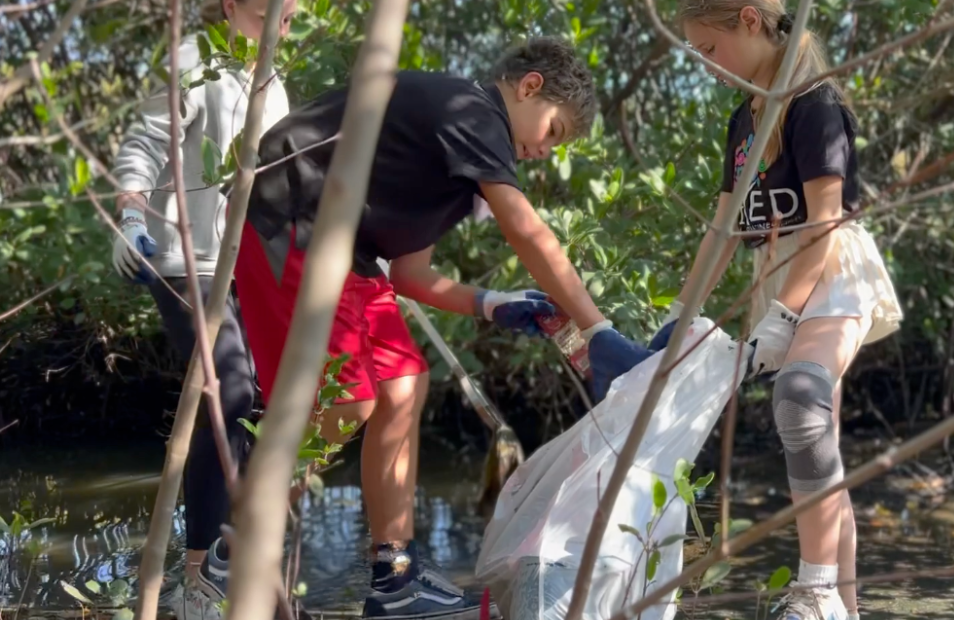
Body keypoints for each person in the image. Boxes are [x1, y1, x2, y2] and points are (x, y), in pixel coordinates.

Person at [190, 36, 652, 618]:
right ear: (530, 87)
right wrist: (599, 330)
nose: (544, 152)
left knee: (404, 383)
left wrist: (493, 303)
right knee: (346, 398)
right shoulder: (473, 113)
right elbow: (530, 233)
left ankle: (395, 578)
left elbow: (410, 274)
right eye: (553, 132)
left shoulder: (455, 158)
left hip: (344, 246)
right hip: (285, 217)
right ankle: (235, 552)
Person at [653, 0, 902, 620]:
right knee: (820, 441)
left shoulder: (812, 101)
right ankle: (843, 607)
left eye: (709, 49)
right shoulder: (743, 122)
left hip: (829, 272)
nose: (706, 64)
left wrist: (786, 316)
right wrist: (682, 313)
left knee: (800, 401)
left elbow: (824, 223)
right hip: (776, 280)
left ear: (751, 23)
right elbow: (723, 227)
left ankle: (814, 589)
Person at [109, 0, 297, 620]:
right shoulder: (192, 61)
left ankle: (223, 564)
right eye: (262, 15)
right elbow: (143, 142)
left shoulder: (272, 80)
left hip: (250, 267)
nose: (274, 28)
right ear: (230, 8)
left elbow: (287, 176)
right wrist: (130, 216)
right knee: (230, 386)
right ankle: (204, 581)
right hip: (183, 259)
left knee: (257, 402)